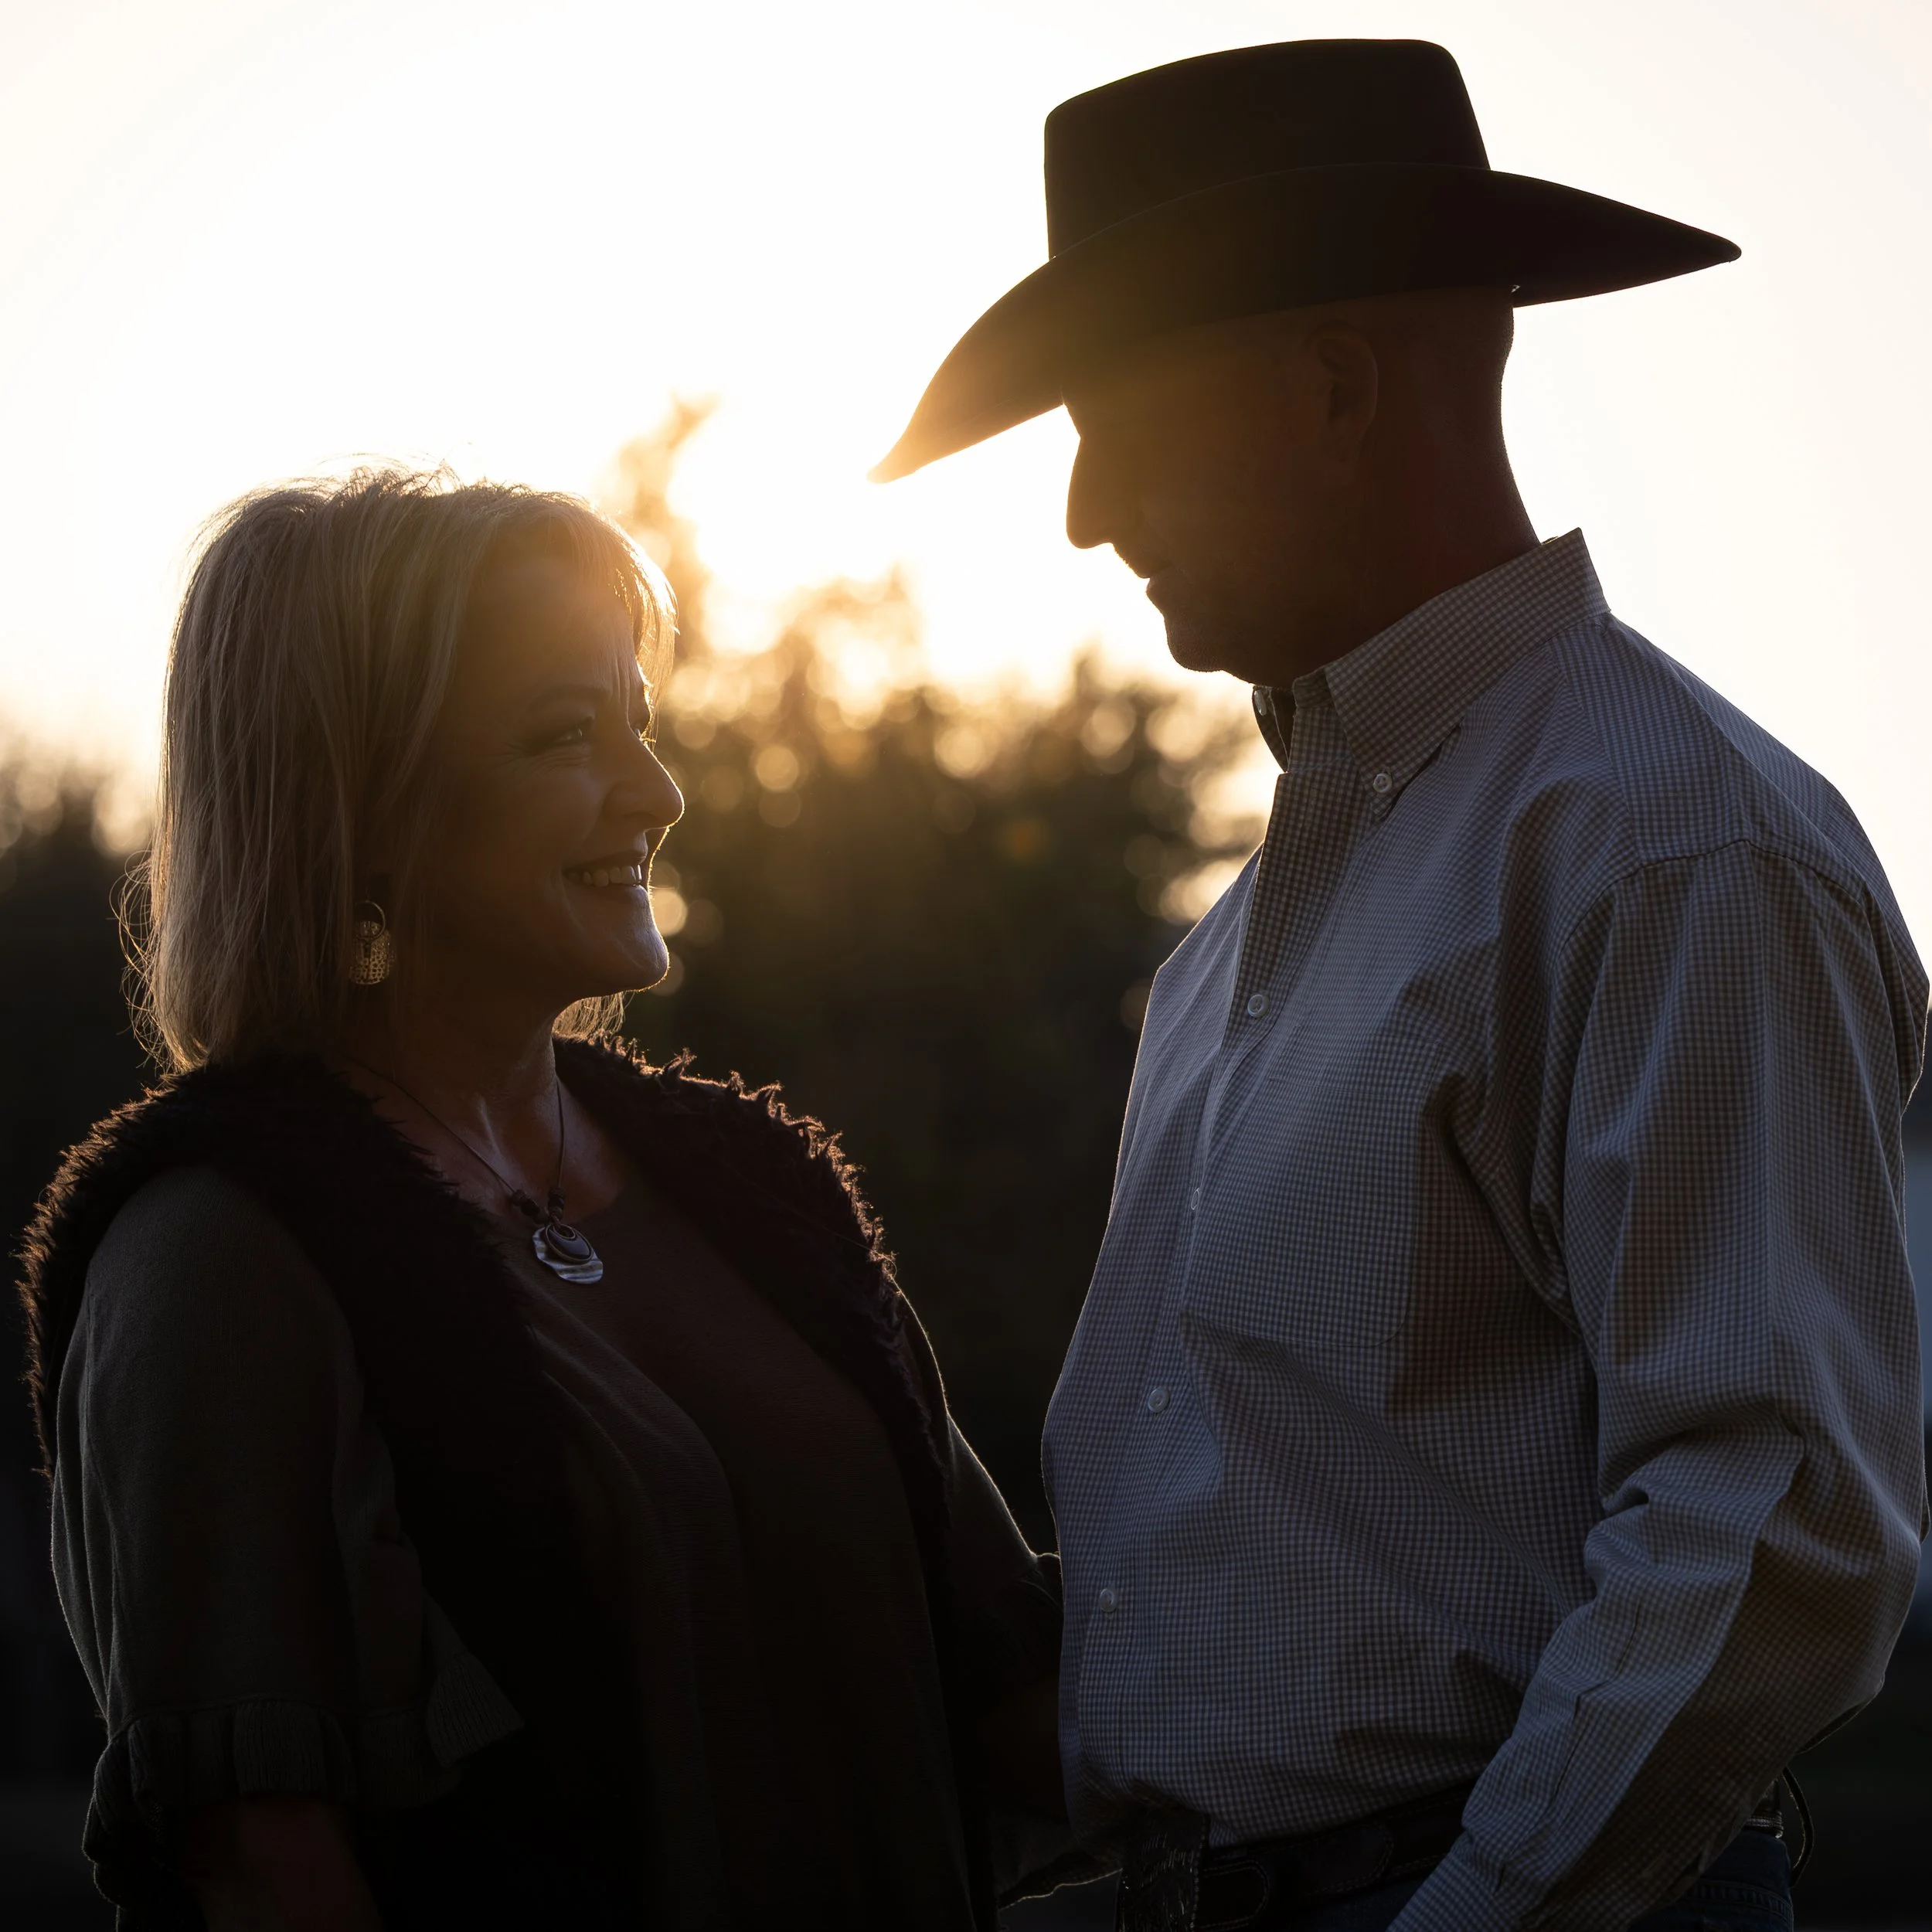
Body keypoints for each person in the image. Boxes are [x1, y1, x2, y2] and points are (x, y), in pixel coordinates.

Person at [874, 38, 1927, 1932]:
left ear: (1334, 386)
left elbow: (1768, 1515)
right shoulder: (1230, 953)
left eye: (1106, 421)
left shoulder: (1668, 841)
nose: (1079, 510)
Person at [18, 470, 1069, 1930]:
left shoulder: (758, 1192)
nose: (658, 791)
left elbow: (1027, 1689)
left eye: (643, 722)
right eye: (569, 736)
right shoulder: (218, 1257)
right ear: (361, 803)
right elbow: (264, 1868)